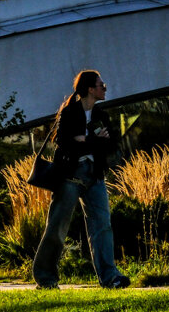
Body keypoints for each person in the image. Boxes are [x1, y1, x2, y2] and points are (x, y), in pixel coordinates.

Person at [32, 69, 130, 290]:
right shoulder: (69, 113)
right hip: (71, 175)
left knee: (102, 226)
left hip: (94, 174)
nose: (104, 88)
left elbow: (110, 144)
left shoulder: (101, 115)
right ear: (89, 89)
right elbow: (65, 143)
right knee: (57, 226)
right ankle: (46, 279)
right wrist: (94, 140)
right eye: (101, 85)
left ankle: (110, 277)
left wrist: (85, 139)